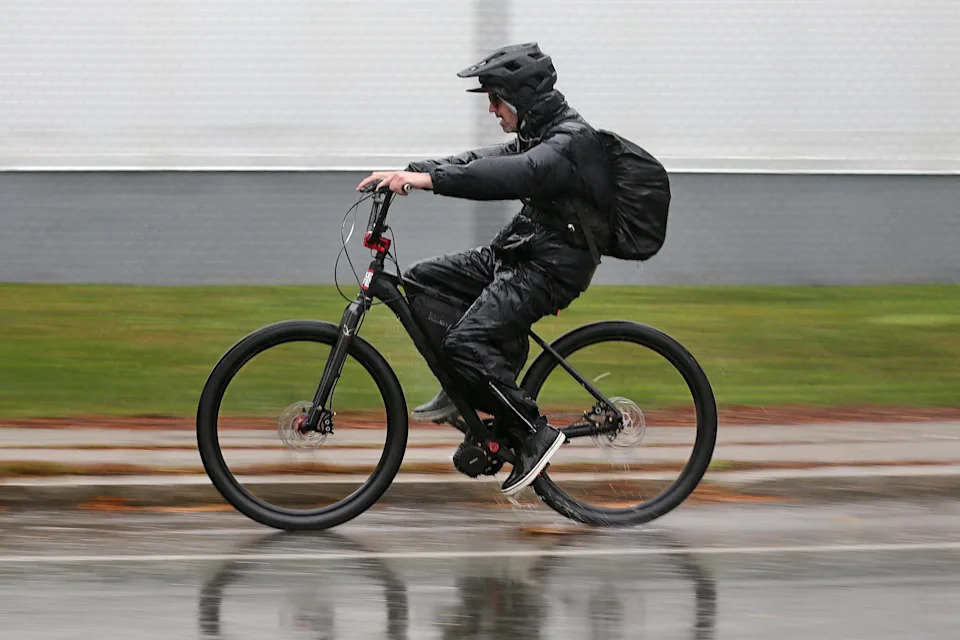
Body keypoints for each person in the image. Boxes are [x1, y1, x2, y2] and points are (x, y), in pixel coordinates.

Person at [357, 42, 612, 497]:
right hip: (518, 252)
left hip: (551, 267)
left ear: (520, 95)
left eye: (496, 98)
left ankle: (532, 433)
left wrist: (429, 181)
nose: (492, 109)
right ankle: (473, 392)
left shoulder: (569, 141)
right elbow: (481, 160)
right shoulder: (539, 133)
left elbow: (513, 175)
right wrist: (409, 171)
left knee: (465, 339)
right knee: (419, 280)